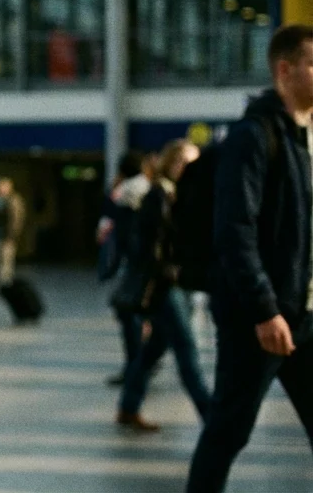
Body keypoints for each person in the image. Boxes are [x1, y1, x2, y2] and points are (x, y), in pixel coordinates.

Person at [187, 24, 313, 492]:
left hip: (304, 315)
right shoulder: (253, 138)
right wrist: (264, 309)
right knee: (228, 431)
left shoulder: (304, 140)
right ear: (285, 70)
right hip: (256, 320)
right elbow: (234, 231)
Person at [115, 139, 210, 432]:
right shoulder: (159, 196)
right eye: (185, 163)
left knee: (153, 350)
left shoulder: (179, 195)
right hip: (165, 285)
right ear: (170, 163)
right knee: (186, 348)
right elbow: (148, 247)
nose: (191, 170)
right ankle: (212, 417)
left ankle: (128, 407)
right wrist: (173, 270)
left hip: (172, 282)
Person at [99, 152, 152, 386]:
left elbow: (122, 233)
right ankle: (141, 364)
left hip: (133, 266)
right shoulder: (148, 187)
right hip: (146, 265)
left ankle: (137, 365)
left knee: (130, 317)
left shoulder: (127, 192)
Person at [0, 177, 26, 287]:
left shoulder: (14, 200)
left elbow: (17, 219)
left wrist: (13, 235)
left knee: (6, 259)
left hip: (7, 234)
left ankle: (5, 282)